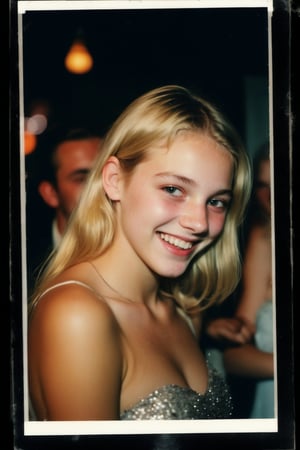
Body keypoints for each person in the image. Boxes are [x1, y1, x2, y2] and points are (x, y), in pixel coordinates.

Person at [28, 85, 252, 421]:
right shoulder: (77, 313)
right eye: (173, 189)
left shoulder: (179, 307)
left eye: (216, 201)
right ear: (115, 180)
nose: (199, 222)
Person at [204, 143, 274, 418]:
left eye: (280, 182)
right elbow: (234, 355)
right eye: (262, 185)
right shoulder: (263, 237)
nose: (271, 197)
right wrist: (210, 329)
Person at [26, 126, 103, 296]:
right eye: (82, 178)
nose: (99, 187)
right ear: (51, 193)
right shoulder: (24, 267)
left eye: (103, 175)